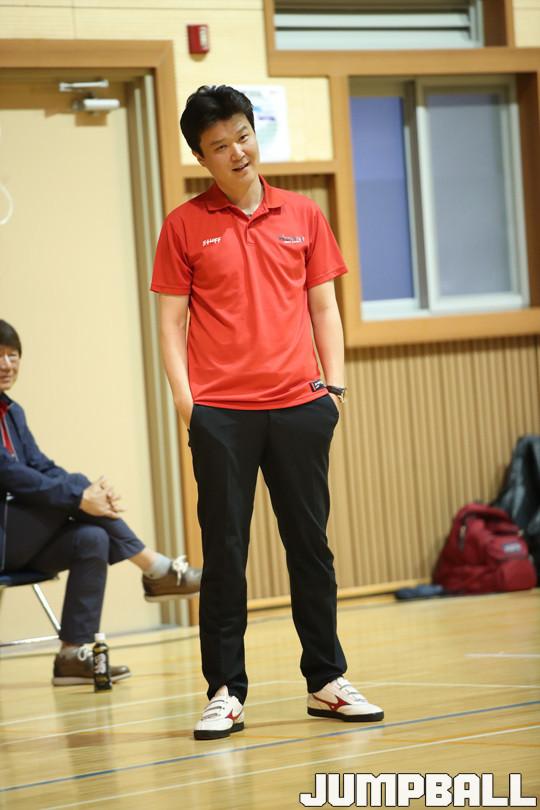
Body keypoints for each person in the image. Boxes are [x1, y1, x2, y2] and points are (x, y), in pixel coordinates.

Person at [151, 85, 384, 740]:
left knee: (310, 547)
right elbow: (169, 323)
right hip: (221, 414)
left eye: (243, 136)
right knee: (225, 552)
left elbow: (324, 308)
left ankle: (326, 681)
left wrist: (334, 391)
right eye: (219, 145)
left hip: (301, 406)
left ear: (256, 134)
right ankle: (225, 691)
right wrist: (187, 401)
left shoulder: (303, 213)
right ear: (201, 156)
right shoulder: (183, 225)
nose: (237, 152)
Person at [0, 319, 201, 685]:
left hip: (21, 538)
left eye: (13, 356)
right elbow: (9, 474)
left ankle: (71, 655)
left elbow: (40, 466)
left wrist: (88, 492)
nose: (7, 364)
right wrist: (80, 495)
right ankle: (155, 569)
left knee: (92, 538)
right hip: (6, 538)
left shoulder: (12, 412)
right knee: (76, 491)